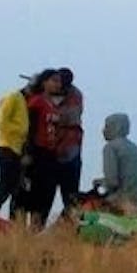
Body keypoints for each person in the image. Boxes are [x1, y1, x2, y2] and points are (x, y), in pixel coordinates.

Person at [0, 79, 31, 219]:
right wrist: (19, 131)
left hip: (18, 149)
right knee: (5, 187)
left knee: (17, 189)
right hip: (7, 147)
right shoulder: (14, 97)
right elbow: (1, 121)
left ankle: (13, 223)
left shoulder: (24, 103)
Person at [93, 113, 137, 215]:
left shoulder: (110, 148)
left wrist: (99, 182)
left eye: (107, 126)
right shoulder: (133, 147)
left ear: (117, 127)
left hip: (124, 200)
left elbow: (112, 182)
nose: (103, 130)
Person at [25, 69, 63, 228]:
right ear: (44, 82)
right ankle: (31, 226)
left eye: (59, 81)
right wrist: (28, 151)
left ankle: (39, 227)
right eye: (53, 80)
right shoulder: (37, 102)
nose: (57, 84)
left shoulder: (53, 105)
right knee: (37, 191)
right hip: (38, 151)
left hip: (51, 152)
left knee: (49, 191)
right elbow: (30, 127)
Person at [53, 66, 85, 212]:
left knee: (70, 197)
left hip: (69, 151)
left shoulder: (75, 95)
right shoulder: (47, 94)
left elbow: (69, 118)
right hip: (50, 151)